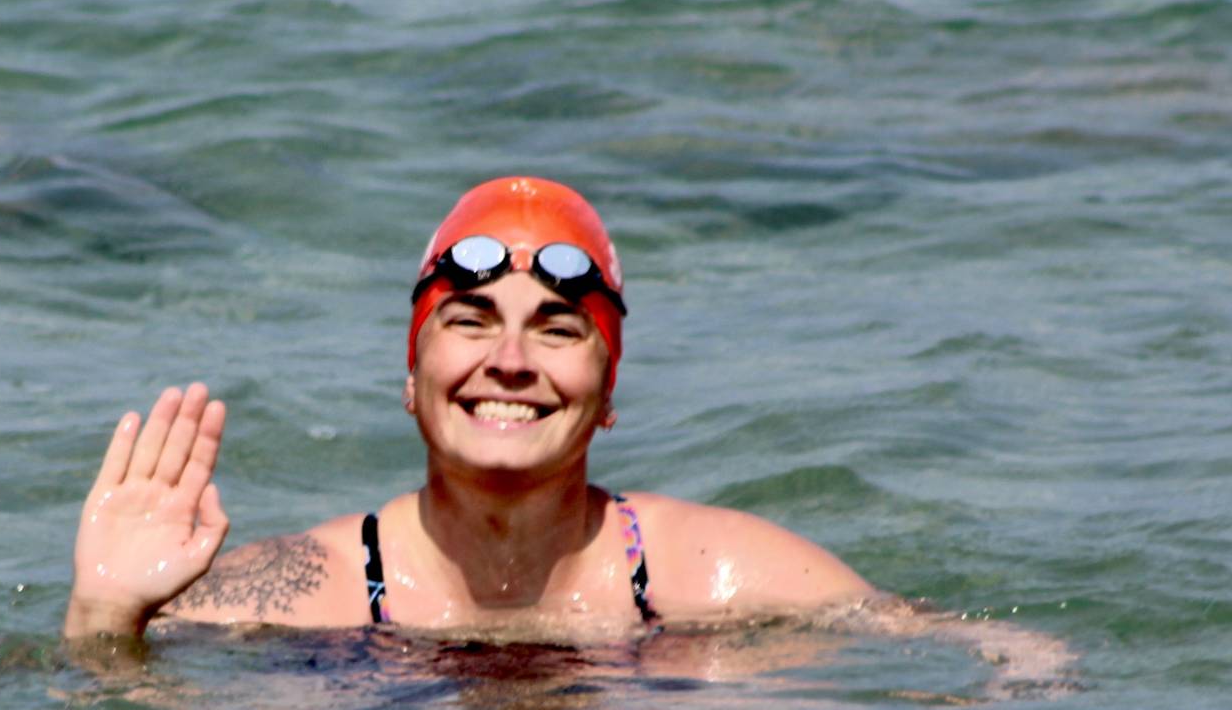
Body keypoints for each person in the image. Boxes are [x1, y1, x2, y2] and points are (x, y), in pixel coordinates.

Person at [65, 177, 1066, 672]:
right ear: (409, 380)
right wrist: (103, 619)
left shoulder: (719, 574)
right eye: (467, 322)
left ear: (608, 388)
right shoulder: (289, 595)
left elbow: (1000, 653)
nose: (509, 360)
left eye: (556, 329)